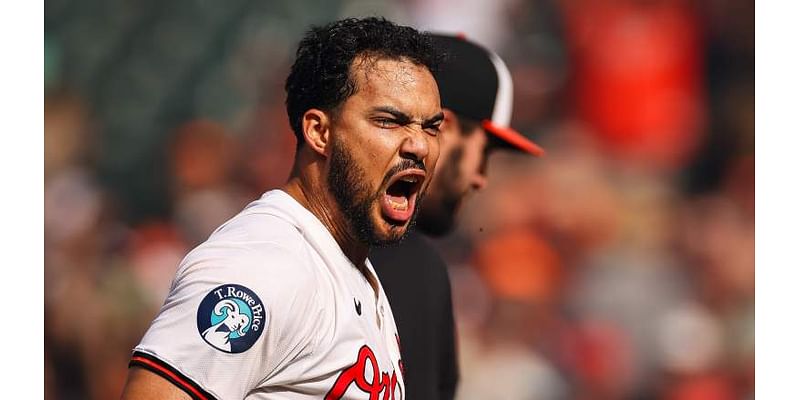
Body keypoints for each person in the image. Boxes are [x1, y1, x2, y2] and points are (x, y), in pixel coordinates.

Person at [120, 17, 443, 400]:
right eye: (390, 121)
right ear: (320, 132)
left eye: (431, 127)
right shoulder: (264, 264)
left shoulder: (348, 263)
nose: (419, 146)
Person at [370, 34, 545, 400]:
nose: (481, 177)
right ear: (444, 128)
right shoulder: (313, 244)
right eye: (483, 151)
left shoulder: (423, 266)